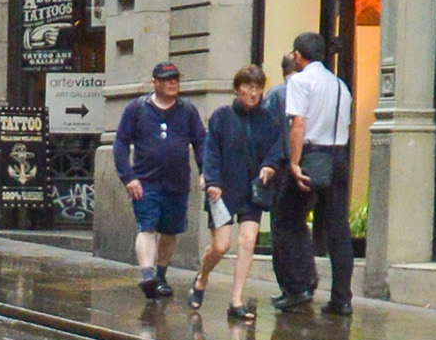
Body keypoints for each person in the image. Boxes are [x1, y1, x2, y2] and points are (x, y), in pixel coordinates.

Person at [271, 30, 357, 315]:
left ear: (298, 55)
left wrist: (295, 163)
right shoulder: (340, 85)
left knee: (287, 219)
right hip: (339, 156)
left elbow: (298, 124)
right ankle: (342, 297)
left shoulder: (299, 81)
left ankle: (297, 287)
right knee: (338, 228)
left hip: (312, 153)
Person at [197, 64, 288, 320]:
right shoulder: (221, 117)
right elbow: (211, 151)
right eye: (248, 87)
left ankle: (236, 300)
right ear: (237, 89)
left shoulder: (268, 119)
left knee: (247, 242)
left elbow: (277, 147)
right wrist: (212, 180)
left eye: (258, 87)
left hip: (252, 189)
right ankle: (202, 277)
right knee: (221, 245)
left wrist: (269, 166)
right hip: (223, 189)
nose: (253, 92)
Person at [113, 61, 208, 303]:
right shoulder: (138, 109)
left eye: (175, 78)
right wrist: (129, 177)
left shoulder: (187, 111)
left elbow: (201, 142)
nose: (172, 83)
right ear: (154, 82)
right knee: (147, 226)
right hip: (145, 182)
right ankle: (147, 275)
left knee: (170, 230)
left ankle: (161, 276)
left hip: (177, 183)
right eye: (166, 79)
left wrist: (205, 171)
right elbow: (121, 143)